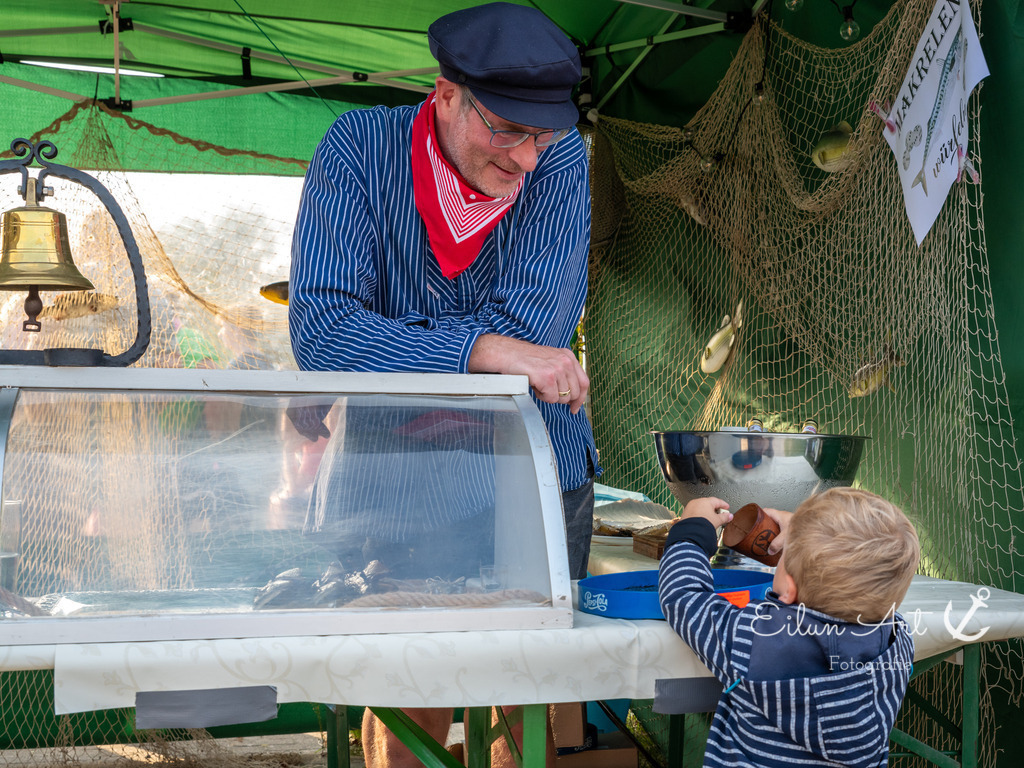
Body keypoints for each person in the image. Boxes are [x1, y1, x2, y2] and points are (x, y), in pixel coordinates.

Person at [288, 3, 600, 765]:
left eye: (541, 133)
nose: (526, 160)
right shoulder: (359, 150)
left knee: (527, 689)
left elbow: (538, 324)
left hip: (533, 469)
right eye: (505, 129)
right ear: (446, 93)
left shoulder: (560, 160)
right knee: (408, 688)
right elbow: (324, 333)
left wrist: (415, 347)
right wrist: (483, 349)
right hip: (395, 480)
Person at [658, 488, 920, 768]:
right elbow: (871, 581)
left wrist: (691, 532)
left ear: (789, 589)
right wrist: (804, 538)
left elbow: (684, 598)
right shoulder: (898, 644)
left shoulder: (753, 640)